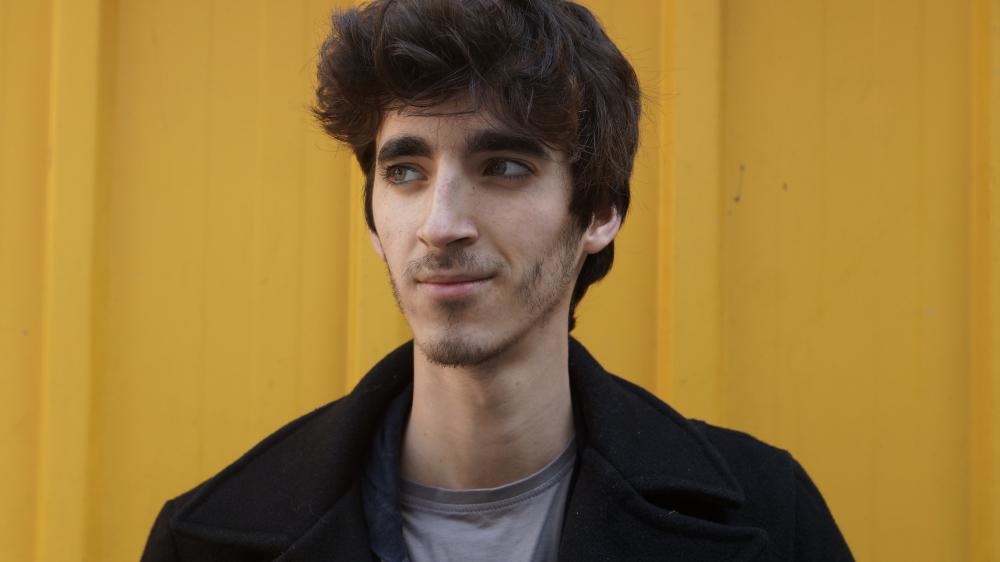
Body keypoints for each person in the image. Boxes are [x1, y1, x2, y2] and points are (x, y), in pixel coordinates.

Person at [141, 1, 853, 560]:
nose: (440, 224)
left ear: (600, 212)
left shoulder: (771, 516)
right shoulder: (210, 539)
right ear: (372, 220)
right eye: (405, 172)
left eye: (503, 167)